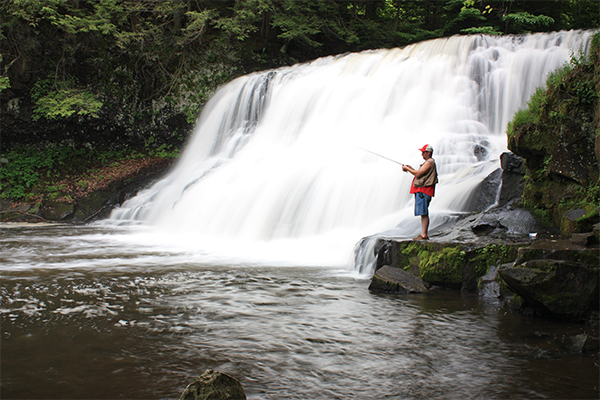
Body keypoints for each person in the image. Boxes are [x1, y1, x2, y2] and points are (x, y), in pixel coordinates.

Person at [402, 144, 438, 240]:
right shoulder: (428, 163)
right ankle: (423, 234)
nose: (422, 154)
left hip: (424, 191)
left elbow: (418, 174)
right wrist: (410, 168)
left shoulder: (429, 162)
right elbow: (420, 173)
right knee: (423, 213)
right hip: (423, 191)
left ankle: (424, 235)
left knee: (424, 213)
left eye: (423, 152)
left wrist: (408, 169)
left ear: (428, 153)